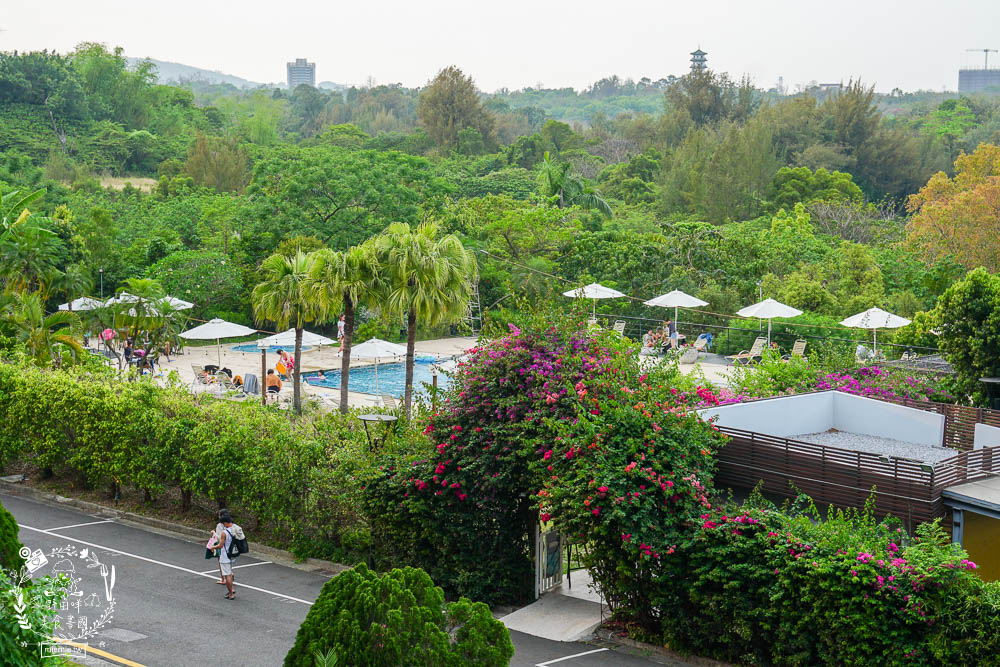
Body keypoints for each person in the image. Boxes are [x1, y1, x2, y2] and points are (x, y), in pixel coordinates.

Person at [216, 509, 245, 601]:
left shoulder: (224, 532)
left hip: (225, 555)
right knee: (230, 571)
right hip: (234, 553)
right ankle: (231, 588)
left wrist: (213, 547)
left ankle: (231, 592)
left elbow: (220, 544)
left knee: (227, 574)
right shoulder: (236, 528)